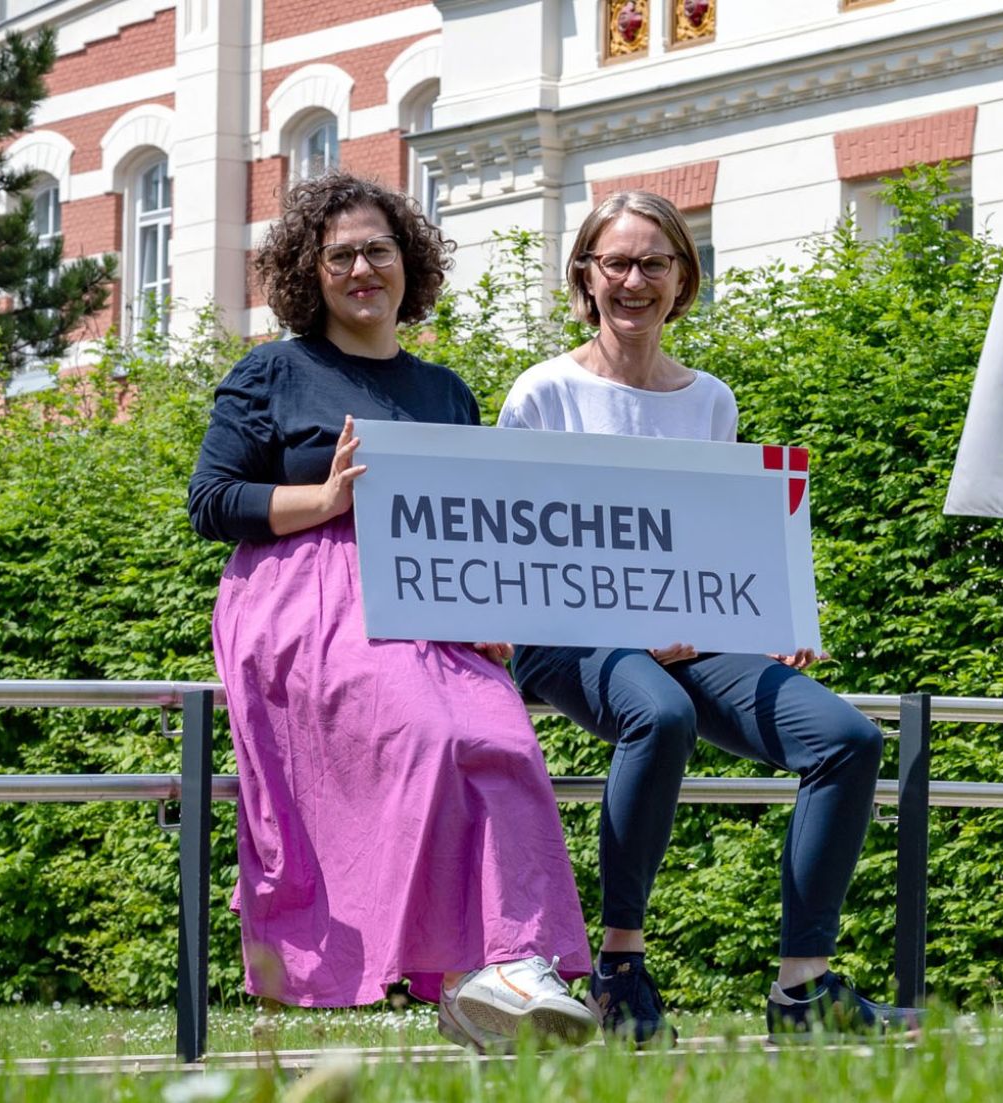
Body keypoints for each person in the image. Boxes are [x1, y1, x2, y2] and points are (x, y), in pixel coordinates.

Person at [497, 190, 919, 1046]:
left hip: (686, 636)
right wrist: (636, 625)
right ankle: (620, 969)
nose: (634, 280)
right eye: (615, 262)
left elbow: (712, 537)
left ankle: (804, 989)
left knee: (848, 738)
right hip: (567, 636)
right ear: (585, 276)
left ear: (683, 277)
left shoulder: (709, 400)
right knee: (661, 711)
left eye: (655, 262)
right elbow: (515, 553)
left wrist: (773, 610)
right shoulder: (543, 392)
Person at [187, 172, 596, 1052]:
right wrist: (328, 499)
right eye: (341, 254)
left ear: (409, 262)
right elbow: (211, 502)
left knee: (505, 738)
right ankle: (459, 972)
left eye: (379, 248)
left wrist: (491, 603)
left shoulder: (443, 391)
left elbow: (473, 515)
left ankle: (513, 968)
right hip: (306, 593)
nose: (363, 267)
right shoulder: (273, 372)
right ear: (310, 270)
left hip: (430, 594)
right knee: (427, 733)